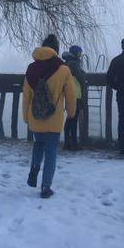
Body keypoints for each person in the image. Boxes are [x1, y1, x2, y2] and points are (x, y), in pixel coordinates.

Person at [23, 34, 77, 198]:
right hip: (54, 119)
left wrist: (26, 116)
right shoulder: (63, 69)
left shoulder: (31, 69)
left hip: (35, 118)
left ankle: (34, 168)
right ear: (56, 50)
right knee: (51, 153)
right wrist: (71, 113)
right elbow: (71, 95)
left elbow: (26, 95)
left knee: (38, 144)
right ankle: (46, 187)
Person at [60, 45, 86, 150]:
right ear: (76, 53)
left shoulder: (67, 62)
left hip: (70, 93)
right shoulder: (73, 63)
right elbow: (80, 76)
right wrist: (83, 73)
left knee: (71, 118)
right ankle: (73, 143)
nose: (80, 55)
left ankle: (69, 142)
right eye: (79, 53)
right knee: (73, 119)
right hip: (75, 93)